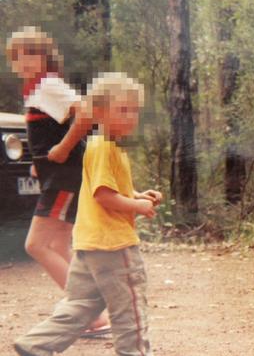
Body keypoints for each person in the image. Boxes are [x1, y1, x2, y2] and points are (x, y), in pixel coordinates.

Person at [14, 72, 161, 356]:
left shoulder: (102, 146)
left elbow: (110, 189)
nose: (131, 117)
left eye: (134, 111)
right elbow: (104, 196)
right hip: (113, 246)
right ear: (99, 113)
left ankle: (36, 344)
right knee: (130, 310)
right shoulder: (106, 147)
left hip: (89, 244)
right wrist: (138, 207)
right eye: (122, 110)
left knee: (80, 305)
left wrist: (137, 196)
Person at [5, 26, 109, 336]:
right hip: (61, 177)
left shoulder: (48, 84)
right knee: (60, 244)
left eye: (32, 54)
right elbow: (49, 131)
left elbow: (87, 113)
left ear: (46, 56)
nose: (25, 61)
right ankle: (91, 312)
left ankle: (88, 311)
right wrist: (41, 164)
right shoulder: (38, 90)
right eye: (18, 56)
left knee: (36, 245)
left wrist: (63, 150)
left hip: (65, 178)